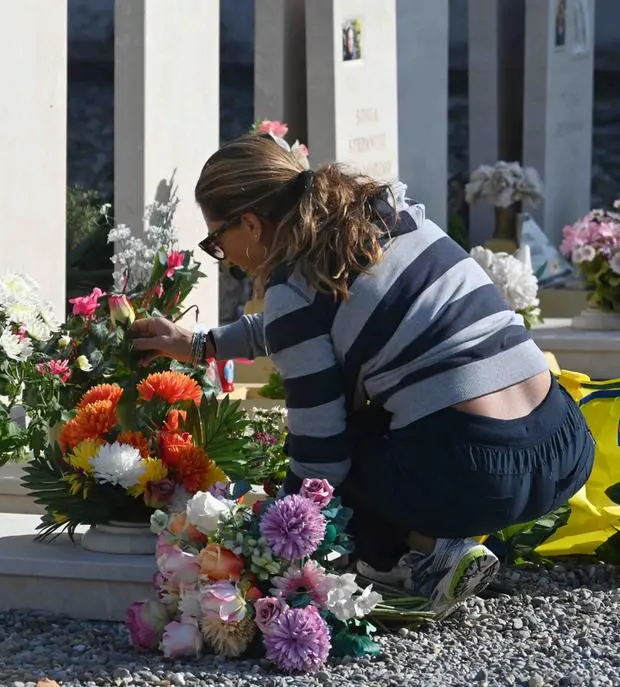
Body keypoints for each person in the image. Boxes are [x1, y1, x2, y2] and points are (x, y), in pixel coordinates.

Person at [129, 133, 595, 611]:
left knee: (333, 447)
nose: (222, 256)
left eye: (216, 241)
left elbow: (321, 460)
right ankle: (450, 537)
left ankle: (430, 550)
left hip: (481, 474)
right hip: (565, 447)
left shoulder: (294, 288)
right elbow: (323, 323)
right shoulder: (389, 216)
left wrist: (275, 541)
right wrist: (203, 344)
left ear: (250, 223)